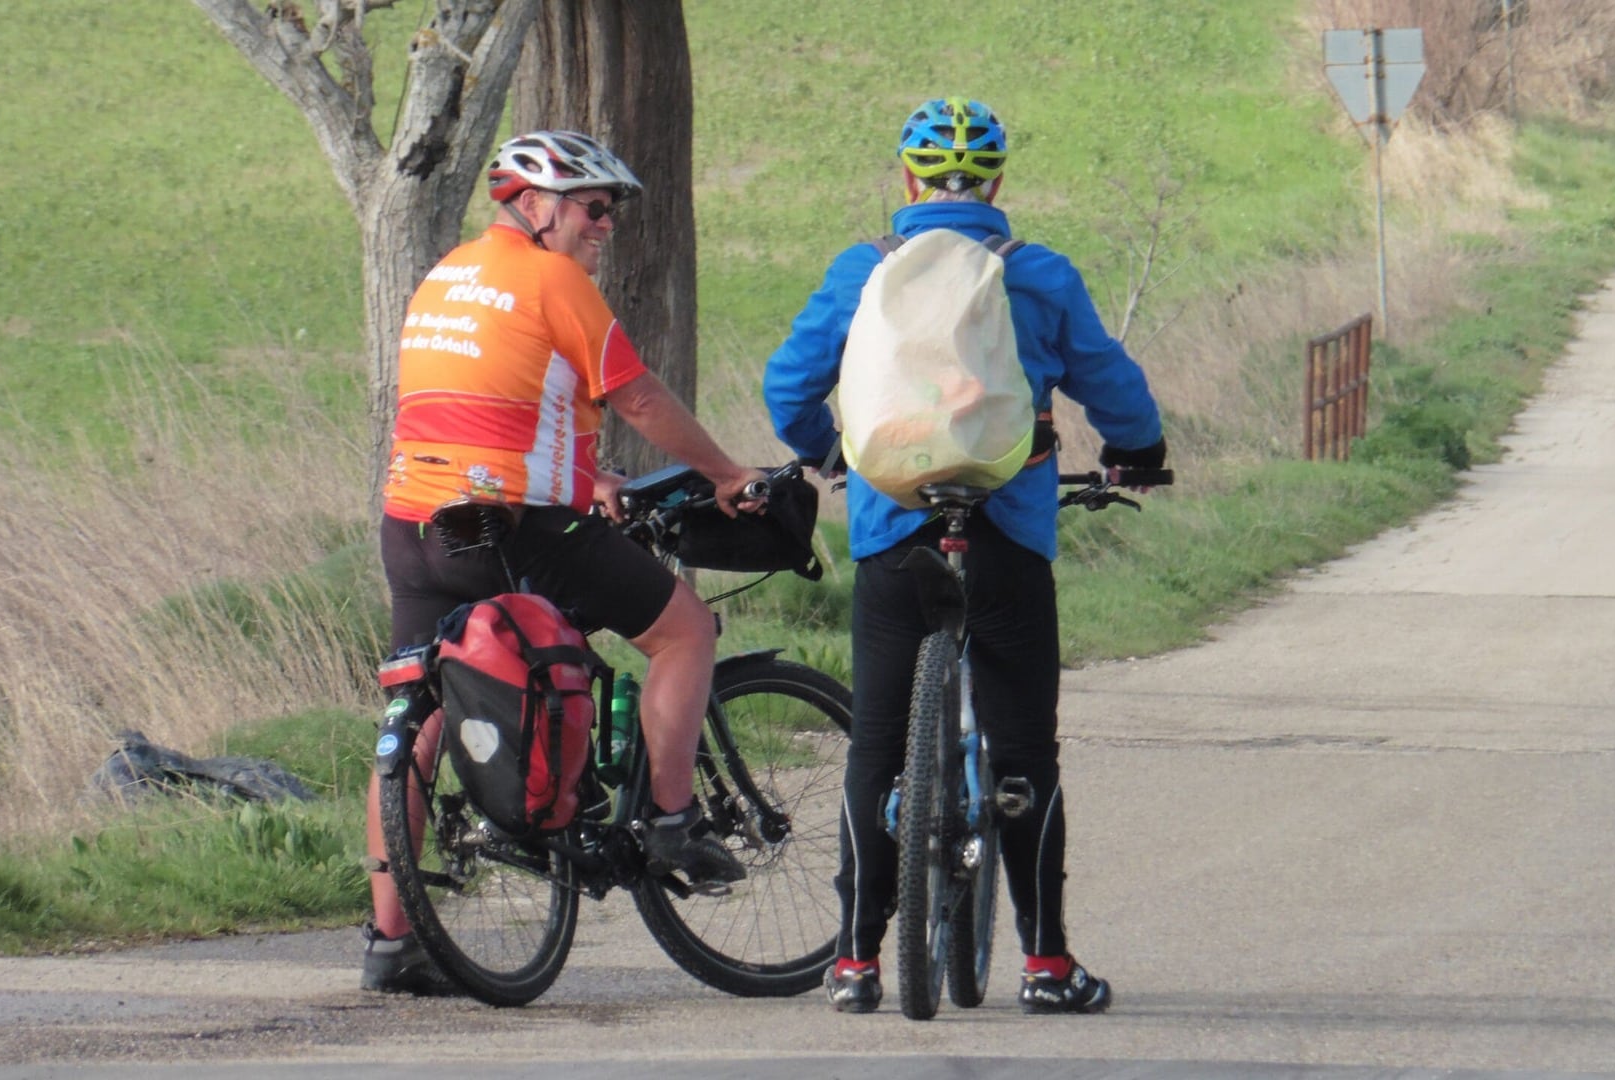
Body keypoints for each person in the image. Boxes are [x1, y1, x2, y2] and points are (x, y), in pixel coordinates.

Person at [762, 98, 1166, 1015]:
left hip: (893, 530)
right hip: (1008, 536)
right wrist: (1136, 451)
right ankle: (1048, 965)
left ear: (907, 181)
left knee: (876, 745)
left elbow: (789, 386)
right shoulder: (1040, 275)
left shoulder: (863, 271)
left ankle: (857, 964)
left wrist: (829, 454)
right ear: (995, 182)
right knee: (1027, 751)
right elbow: (1113, 384)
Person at [363, 130, 766, 995]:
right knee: (684, 631)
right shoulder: (553, 279)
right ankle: (669, 820)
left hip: (412, 522)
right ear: (536, 208)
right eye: (592, 207)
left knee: (419, 710)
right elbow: (640, 396)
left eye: (610, 210)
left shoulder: (447, 276)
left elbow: (495, 407)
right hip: (514, 530)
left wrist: (589, 478)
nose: (604, 224)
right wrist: (728, 475)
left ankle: (391, 942)